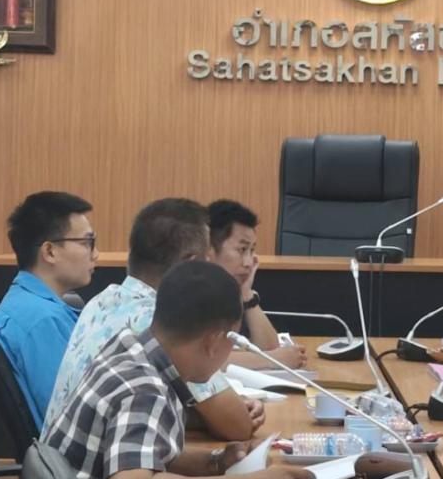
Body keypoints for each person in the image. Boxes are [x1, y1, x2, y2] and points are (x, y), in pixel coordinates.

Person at [42, 261, 311, 479]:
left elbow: (144, 452)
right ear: (213, 342)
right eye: (232, 342)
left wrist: (216, 462)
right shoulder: (145, 392)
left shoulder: (130, 347)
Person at [44, 198, 263, 440]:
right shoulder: (160, 322)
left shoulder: (102, 300)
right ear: (190, 266)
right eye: (207, 263)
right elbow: (239, 426)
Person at [0, 191, 98, 428]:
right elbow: (74, 421)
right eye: (87, 243)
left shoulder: (26, 304)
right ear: (49, 251)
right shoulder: (41, 322)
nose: (95, 254)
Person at [208, 200, 307, 370]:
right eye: (241, 250)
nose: (248, 262)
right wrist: (271, 360)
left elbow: (270, 347)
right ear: (210, 250)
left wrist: (247, 296)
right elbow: (202, 359)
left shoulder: (230, 293)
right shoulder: (189, 291)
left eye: (252, 250)